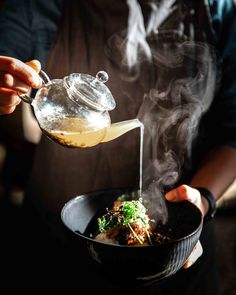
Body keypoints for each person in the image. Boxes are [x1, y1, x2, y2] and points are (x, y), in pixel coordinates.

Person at [0, 0, 236, 294]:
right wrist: (8, 79)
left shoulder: (219, 8)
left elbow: (233, 132)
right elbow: (9, 45)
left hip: (180, 249)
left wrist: (201, 199)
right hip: (61, 241)